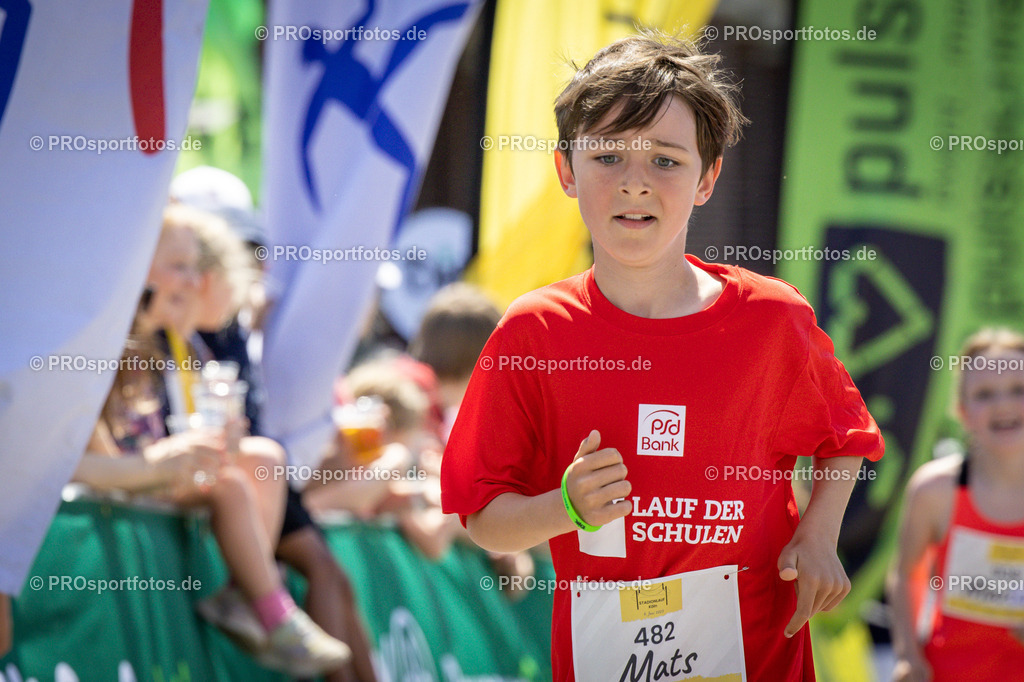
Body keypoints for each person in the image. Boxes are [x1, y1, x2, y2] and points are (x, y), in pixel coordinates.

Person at [441, 31, 884, 681]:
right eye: (608, 157)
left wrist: (818, 532)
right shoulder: (533, 334)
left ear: (708, 177)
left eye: (667, 161)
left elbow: (843, 435)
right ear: (567, 171)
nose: (636, 184)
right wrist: (562, 508)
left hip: (760, 658)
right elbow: (484, 520)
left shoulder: (771, 319)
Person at [75, 206, 350, 678]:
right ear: (135, 262)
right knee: (234, 487)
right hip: (123, 480)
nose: (193, 280)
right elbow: (97, 446)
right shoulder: (107, 341)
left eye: (196, 268)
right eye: (179, 266)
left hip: (152, 471)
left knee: (262, 457)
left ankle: (249, 596)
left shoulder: (172, 341)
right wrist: (154, 463)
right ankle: (270, 608)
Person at [185, 196, 378, 682]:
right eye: (231, 252)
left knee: (332, 575)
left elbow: (249, 415)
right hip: (243, 469)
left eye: (251, 252)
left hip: (263, 470)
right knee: (322, 569)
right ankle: (252, 596)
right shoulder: (192, 327)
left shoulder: (230, 328)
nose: (245, 266)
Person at [888, 328, 1024, 681]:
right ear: (962, 411)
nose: (1004, 405)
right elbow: (905, 575)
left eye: (1018, 390)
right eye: (984, 394)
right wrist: (907, 656)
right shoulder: (934, 489)